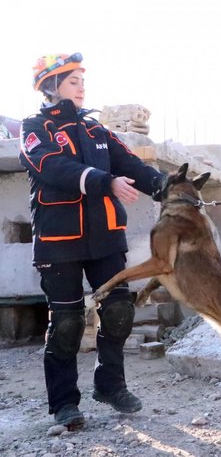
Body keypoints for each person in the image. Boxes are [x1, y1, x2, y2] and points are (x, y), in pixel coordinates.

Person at [19, 53, 167, 429]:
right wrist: (104, 181)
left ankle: (111, 386)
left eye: (83, 80)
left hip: (104, 238)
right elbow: (52, 166)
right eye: (73, 81)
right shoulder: (35, 128)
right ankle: (65, 403)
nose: (82, 87)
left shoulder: (97, 131)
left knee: (119, 312)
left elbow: (132, 165)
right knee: (67, 322)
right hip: (59, 241)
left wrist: (169, 188)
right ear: (51, 87)